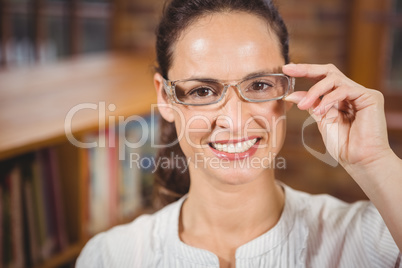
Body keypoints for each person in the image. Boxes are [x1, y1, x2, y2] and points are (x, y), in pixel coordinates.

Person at [76, 0, 402, 267]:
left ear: (286, 91)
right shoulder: (110, 257)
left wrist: (374, 160)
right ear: (165, 97)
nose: (234, 120)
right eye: (202, 91)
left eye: (259, 86)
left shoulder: (369, 239)